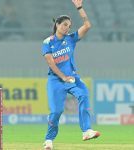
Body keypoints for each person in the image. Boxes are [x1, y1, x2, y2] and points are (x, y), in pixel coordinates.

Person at [41, 0, 100, 149]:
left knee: (84, 95)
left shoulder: (71, 39)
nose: (67, 28)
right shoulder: (48, 42)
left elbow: (87, 26)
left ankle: (86, 130)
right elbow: (51, 63)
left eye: (69, 26)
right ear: (57, 25)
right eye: (64, 25)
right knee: (56, 111)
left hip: (72, 78)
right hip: (56, 80)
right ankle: (48, 140)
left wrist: (79, 7)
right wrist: (63, 77)